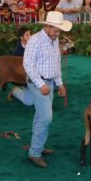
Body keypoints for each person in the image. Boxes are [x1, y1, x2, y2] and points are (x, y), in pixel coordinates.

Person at [20, 11, 72, 168]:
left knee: (40, 116)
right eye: (56, 30)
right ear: (48, 26)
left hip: (49, 83)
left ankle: (37, 146)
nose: (58, 34)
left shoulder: (53, 40)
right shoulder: (35, 40)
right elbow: (27, 65)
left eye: (59, 31)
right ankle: (35, 153)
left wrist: (60, 84)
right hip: (38, 83)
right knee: (46, 118)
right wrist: (41, 84)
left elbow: (56, 63)